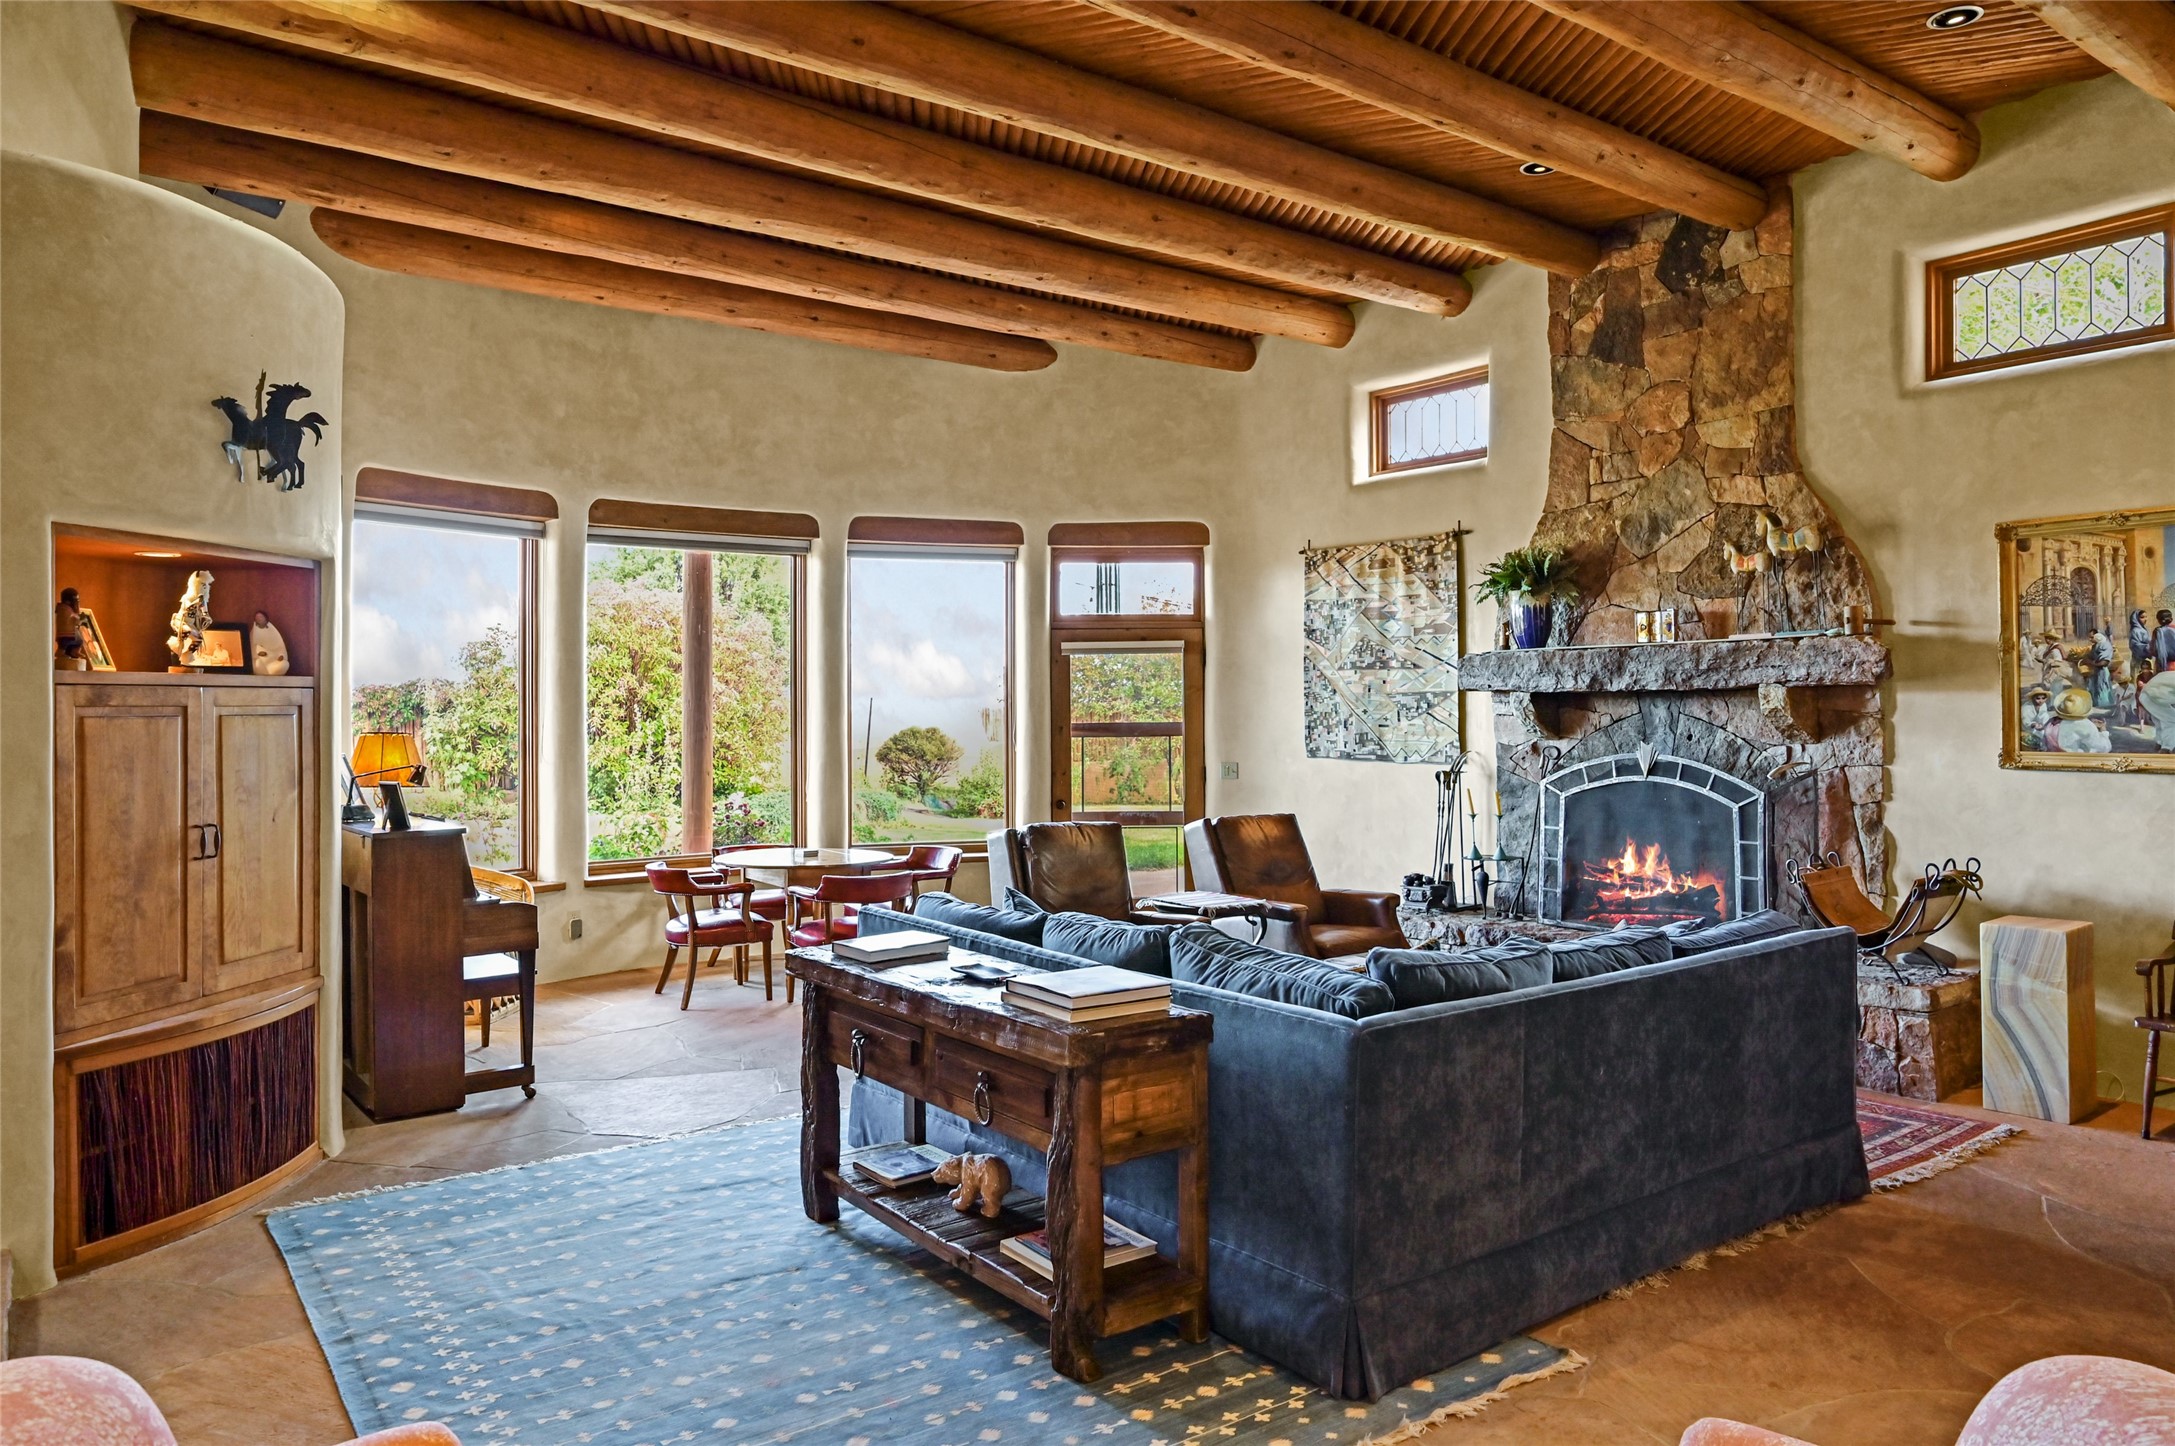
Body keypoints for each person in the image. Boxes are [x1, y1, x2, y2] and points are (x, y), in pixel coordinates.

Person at [53, 587, 85, 664]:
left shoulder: (67, 609)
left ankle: (74, 651)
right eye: (76, 601)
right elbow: (71, 618)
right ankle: (60, 652)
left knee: (79, 641)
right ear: (68, 601)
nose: (77, 604)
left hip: (71, 632)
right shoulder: (64, 609)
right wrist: (79, 618)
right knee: (64, 643)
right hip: (65, 633)